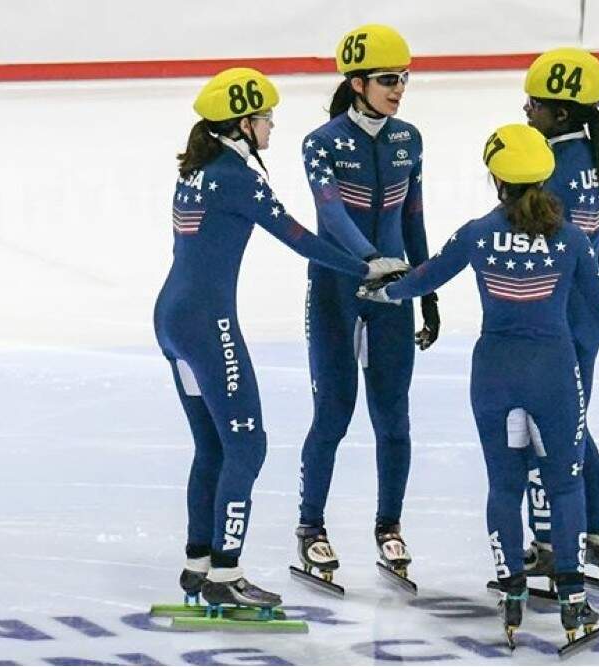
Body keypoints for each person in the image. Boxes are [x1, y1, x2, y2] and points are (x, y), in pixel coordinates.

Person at [358, 124, 599, 648]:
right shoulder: (571, 239)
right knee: (564, 484)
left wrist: (385, 292)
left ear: (496, 178)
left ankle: (511, 592)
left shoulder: (477, 233)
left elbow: (427, 277)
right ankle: (574, 603)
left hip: (494, 375)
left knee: (504, 484)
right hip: (554, 373)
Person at [153, 67, 408, 609]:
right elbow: (298, 237)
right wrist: (364, 267)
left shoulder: (198, 169)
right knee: (247, 445)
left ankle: (199, 562)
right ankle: (226, 573)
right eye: (266, 118)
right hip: (206, 323)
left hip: (172, 317)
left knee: (213, 446)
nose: (271, 127)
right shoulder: (239, 178)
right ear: (243, 123)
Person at [294, 24, 437, 590]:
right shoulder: (321, 142)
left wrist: (426, 290)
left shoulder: (409, 139)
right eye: (386, 80)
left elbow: (414, 218)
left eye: (403, 79)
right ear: (356, 83)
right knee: (334, 411)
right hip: (338, 289)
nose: (398, 89)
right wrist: (369, 259)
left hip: (394, 292)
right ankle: (310, 528)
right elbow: (330, 215)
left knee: (393, 416)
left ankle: (389, 526)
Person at [520, 48, 599, 583]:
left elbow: (534, 258)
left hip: (549, 319)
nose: (525, 110)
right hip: (587, 315)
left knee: (549, 433)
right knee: (577, 429)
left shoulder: (546, 171)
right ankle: (597, 535)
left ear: (561, 113)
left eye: (534, 104)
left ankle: (549, 542)